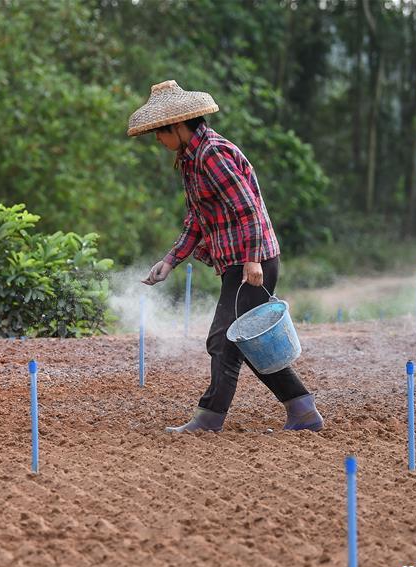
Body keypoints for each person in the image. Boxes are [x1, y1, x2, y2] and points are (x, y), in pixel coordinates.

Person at [127, 80, 323, 434]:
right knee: (242, 342)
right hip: (237, 262)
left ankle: (209, 417)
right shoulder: (190, 160)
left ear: (178, 126)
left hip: (251, 262)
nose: (158, 140)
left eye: (160, 132)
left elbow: (248, 208)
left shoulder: (212, 154)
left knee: (223, 339)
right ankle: (302, 409)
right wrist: (170, 260)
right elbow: (197, 219)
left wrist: (252, 259)